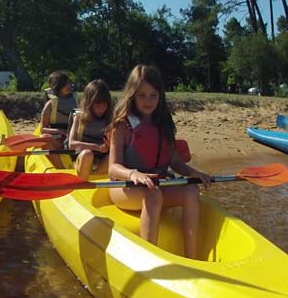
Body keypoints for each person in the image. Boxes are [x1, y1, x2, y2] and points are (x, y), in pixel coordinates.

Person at [107, 65, 211, 259]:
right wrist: (133, 174)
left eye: (153, 95)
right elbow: (113, 168)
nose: (148, 101)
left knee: (191, 190)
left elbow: (174, 161)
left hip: (157, 183)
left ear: (160, 95)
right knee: (153, 195)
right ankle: (150, 260)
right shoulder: (122, 125)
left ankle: (192, 258)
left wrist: (193, 173)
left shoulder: (164, 123)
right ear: (132, 95)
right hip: (124, 187)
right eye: (142, 95)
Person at [68, 79, 112, 180]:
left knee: (113, 156)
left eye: (105, 105)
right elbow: (71, 144)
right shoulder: (79, 117)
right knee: (87, 154)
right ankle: (82, 184)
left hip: (101, 161)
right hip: (83, 157)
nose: (101, 109)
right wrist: (96, 147)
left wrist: (110, 146)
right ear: (89, 103)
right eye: (97, 105)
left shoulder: (110, 119)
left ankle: (95, 179)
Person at [39, 70, 78, 168]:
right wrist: (59, 131)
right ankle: (60, 168)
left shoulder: (77, 101)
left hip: (73, 138)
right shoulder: (50, 104)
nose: (69, 86)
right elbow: (43, 129)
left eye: (69, 82)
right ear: (57, 86)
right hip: (58, 138)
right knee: (43, 140)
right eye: (65, 84)